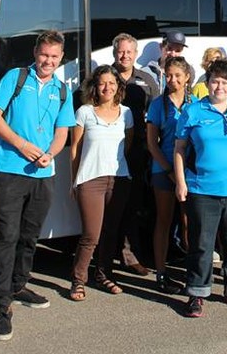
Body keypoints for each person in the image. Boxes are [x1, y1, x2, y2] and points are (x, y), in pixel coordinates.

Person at [0, 30, 76, 341]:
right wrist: (21, 144)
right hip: (9, 172)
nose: (48, 61)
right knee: (7, 238)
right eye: (43, 55)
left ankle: (19, 285)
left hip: (42, 175)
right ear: (35, 53)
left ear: (61, 58)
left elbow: (63, 131)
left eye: (54, 57)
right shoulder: (16, 77)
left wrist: (50, 154)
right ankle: (2, 307)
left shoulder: (63, 90)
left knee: (29, 237)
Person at [174, 60, 227, 318]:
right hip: (203, 189)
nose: (220, 86)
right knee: (201, 244)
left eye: (225, 81)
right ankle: (197, 292)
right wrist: (181, 181)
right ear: (207, 82)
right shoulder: (193, 111)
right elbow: (179, 149)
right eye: (215, 81)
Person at [69, 65, 134, 299]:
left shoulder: (126, 113)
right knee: (91, 235)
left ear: (118, 87)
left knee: (110, 232)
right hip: (90, 179)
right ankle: (78, 280)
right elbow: (74, 148)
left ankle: (104, 274)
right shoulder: (85, 112)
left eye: (112, 83)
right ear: (95, 87)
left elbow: (126, 146)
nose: (107, 87)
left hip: (118, 180)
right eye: (102, 83)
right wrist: (74, 181)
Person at [110, 33, 159, 276]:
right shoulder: (104, 78)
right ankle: (107, 255)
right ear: (114, 53)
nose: (125, 56)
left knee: (134, 203)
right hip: (110, 150)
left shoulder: (147, 80)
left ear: (136, 54)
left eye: (129, 52)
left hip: (138, 150)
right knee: (111, 203)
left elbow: (156, 114)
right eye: (121, 51)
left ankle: (130, 255)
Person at [146, 56, 194, 294]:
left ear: (187, 77)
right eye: (169, 75)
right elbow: (152, 144)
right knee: (164, 221)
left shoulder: (194, 103)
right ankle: (161, 273)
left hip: (188, 171)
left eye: (178, 75)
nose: (173, 80)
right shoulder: (157, 105)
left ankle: (192, 273)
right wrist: (169, 170)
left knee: (189, 222)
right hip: (163, 170)